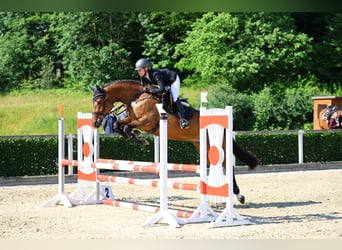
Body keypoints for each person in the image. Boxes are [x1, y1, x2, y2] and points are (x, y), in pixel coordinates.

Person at [134, 58, 189, 129]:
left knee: (174, 97)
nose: (139, 72)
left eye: (140, 70)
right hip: (164, 82)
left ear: (146, 68)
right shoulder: (143, 76)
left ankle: (183, 119)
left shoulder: (156, 74)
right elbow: (143, 88)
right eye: (138, 70)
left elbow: (162, 89)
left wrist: (150, 90)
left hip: (173, 79)